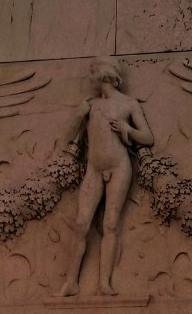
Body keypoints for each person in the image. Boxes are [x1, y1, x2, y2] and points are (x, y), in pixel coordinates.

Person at [59, 60, 154, 297]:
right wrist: (77, 115)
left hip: (120, 166)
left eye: (92, 75)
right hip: (94, 168)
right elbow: (68, 136)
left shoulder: (128, 104)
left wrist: (127, 129)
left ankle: (104, 283)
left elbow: (148, 137)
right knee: (81, 223)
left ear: (103, 76)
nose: (89, 80)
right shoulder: (90, 105)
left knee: (110, 224)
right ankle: (70, 282)